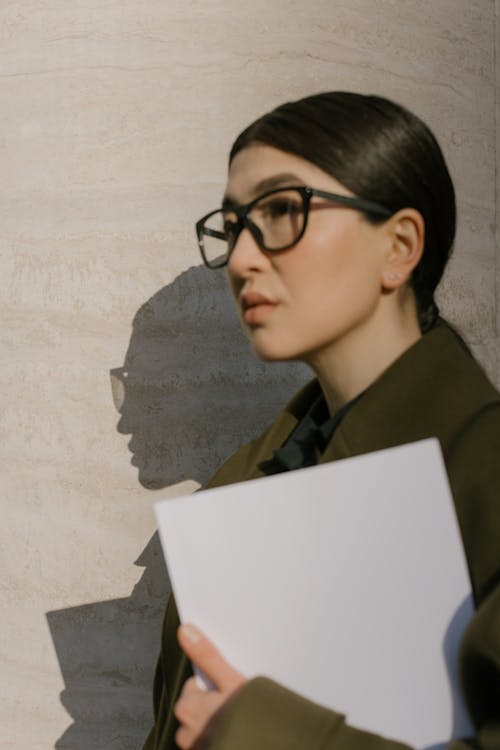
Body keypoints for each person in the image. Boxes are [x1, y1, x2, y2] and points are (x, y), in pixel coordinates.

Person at [142, 92, 500, 750]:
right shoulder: (239, 486)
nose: (244, 258)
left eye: (281, 212)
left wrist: (258, 731)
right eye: (231, 227)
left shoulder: (485, 471)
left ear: (400, 245)